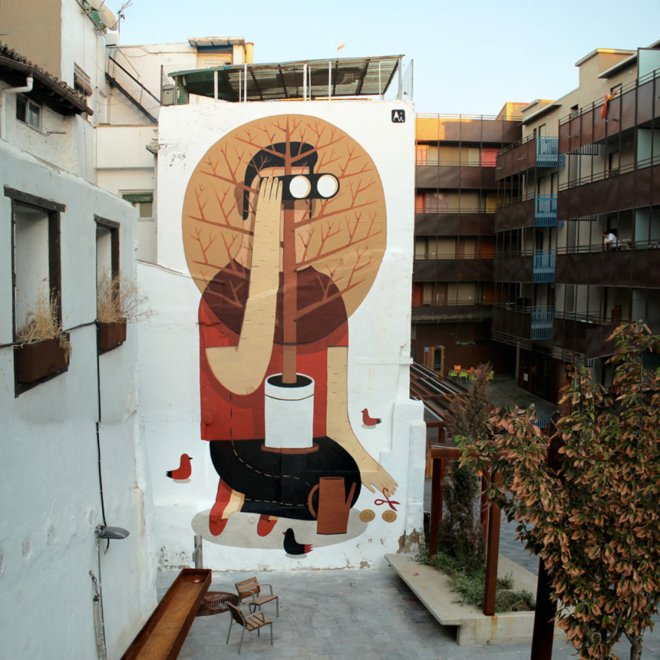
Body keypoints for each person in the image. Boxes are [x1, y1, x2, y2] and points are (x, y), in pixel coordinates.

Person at [197, 142, 397, 538]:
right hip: (242, 446)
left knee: (345, 482)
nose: (286, 214)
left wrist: (366, 461)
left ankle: (261, 505)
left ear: (313, 209)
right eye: (271, 198)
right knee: (304, 490)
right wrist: (265, 260)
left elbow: (335, 414)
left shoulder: (325, 294)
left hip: (308, 443)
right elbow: (245, 378)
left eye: (297, 199)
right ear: (246, 206)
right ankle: (242, 495)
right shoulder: (221, 292)